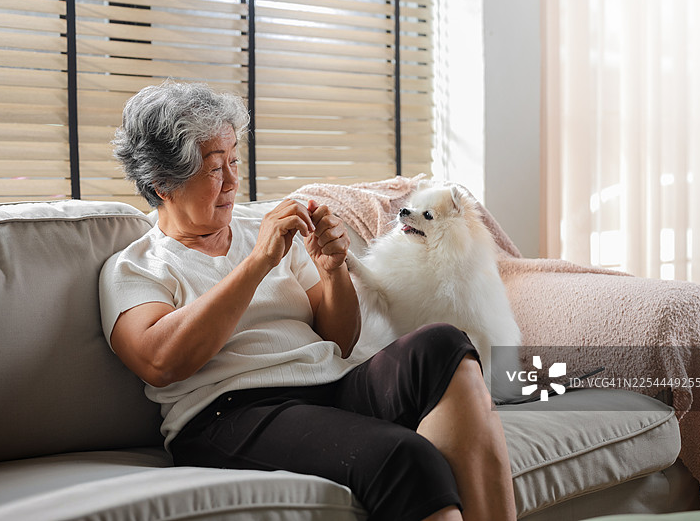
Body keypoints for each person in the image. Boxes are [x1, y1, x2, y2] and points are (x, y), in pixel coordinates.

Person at [99, 80, 516, 521]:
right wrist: (258, 262)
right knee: (406, 455)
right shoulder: (136, 267)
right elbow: (161, 362)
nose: (233, 181)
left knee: (444, 343)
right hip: (228, 413)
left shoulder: (266, 234)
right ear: (164, 183)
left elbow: (339, 339)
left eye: (234, 160)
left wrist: (332, 270)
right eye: (215, 168)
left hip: (330, 384)